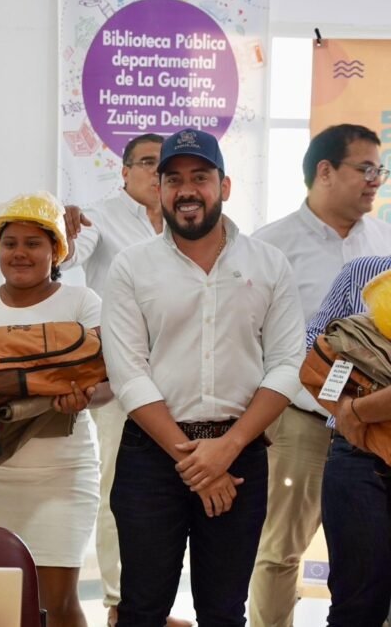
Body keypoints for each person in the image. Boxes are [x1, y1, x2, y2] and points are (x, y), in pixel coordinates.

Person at [101, 128, 305, 626]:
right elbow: (129, 373)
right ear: (160, 189)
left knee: (223, 610)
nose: (186, 190)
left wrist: (227, 449)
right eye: (173, 179)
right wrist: (195, 461)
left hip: (240, 458)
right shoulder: (132, 267)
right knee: (142, 608)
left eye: (200, 177)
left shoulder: (269, 264)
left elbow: (286, 363)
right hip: (152, 460)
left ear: (225, 186)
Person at [248, 124, 391, 627]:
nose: (376, 180)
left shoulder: (385, 243)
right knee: (280, 548)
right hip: (300, 421)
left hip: (378, 431)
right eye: (365, 168)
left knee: (372, 567)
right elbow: (250, 338)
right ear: (324, 171)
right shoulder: (269, 246)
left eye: (380, 170)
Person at [0, 191, 106, 627]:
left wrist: (86, 395)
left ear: (56, 249)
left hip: (65, 474)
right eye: (10, 242)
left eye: (33, 243)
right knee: (4, 605)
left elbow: (109, 381)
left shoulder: (82, 302)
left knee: (56, 605)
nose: (20, 253)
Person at [60, 133, 194, 627]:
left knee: (170, 495)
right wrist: (63, 231)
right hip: (121, 378)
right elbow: (70, 256)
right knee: (120, 490)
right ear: (125, 170)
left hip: (183, 380)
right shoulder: (101, 217)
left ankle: (153, 607)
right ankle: (120, 604)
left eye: (167, 168)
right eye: (149, 164)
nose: (158, 175)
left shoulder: (185, 224)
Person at [304, 255, 391, 626]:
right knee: (356, 603)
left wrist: (358, 411)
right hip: (356, 455)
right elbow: (315, 344)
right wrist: (343, 409)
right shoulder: (362, 272)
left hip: (356, 433)